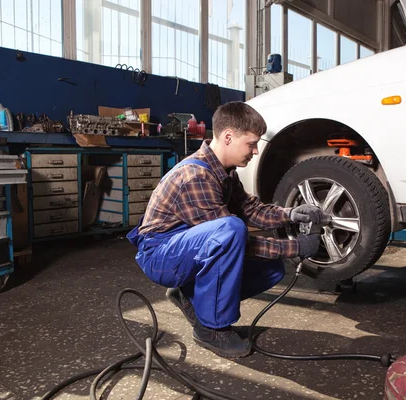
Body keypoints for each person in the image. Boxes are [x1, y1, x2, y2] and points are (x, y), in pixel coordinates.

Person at [127, 101, 324, 358]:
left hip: (185, 247)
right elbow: (233, 240)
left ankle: (190, 295)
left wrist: (290, 215)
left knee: (272, 270)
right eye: (251, 144)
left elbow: (251, 210)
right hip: (161, 255)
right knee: (232, 229)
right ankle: (211, 329)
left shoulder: (226, 172)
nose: (255, 151)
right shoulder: (196, 176)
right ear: (229, 137)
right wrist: (295, 247)